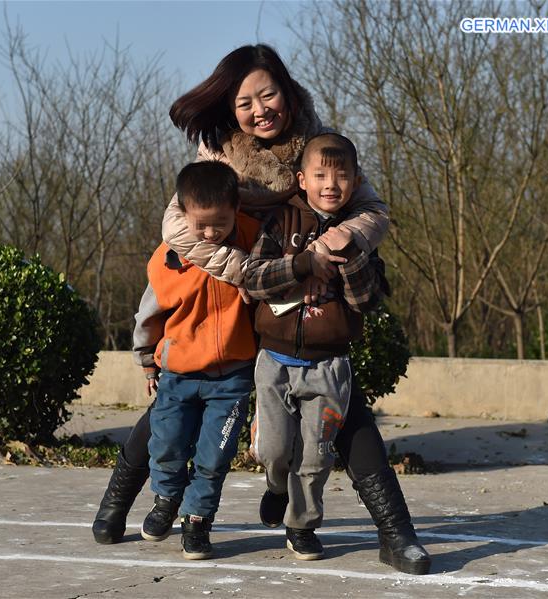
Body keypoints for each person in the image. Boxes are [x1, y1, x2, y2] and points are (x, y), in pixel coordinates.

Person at [91, 44, 430, 576]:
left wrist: (336, 243)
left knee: (348, 413)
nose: (259, 109)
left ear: (287, 92)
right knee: (175, 406)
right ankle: (115, 507)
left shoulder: (320, 151)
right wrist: (249, 269)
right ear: (231, 111)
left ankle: (397, 534)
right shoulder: (219, 156)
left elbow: (373, 210)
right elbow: (177, 228)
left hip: (309, 305)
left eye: (266, 94)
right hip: (232, 295)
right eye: (244, 102)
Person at [244, 132, 389, 560]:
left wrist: (349, 257)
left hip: (328, 368)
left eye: (341, 176)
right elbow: (253, 279)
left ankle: (301, 524)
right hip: (274, 362)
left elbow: (367, 301)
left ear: (356, 180)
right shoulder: (281, 222)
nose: (330, 184)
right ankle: (274, 486)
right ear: (301, 179)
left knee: (317, 456)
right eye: (320, 175)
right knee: (273, 450)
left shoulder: (359, 235)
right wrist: (304, 264)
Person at [130, 161, 259, 560]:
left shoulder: (255, 244)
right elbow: (149, 312)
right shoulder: (169, 257)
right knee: (166, 445)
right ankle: (166, 500)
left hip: (233, 378)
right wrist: (147, 358)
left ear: (236, 208)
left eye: (219, 222)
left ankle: (198, 520)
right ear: (182, 214)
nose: (209, 233)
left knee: (213, 456)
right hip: (179, 374)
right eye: (200, 223)